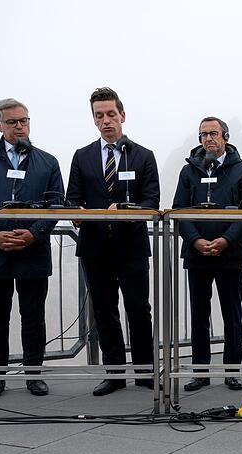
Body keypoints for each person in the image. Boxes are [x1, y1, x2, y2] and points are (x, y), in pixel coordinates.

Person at [0, 98, 65, 399]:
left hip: (33, 250)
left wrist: (35, 233)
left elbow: (56, 204)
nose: (20, 127)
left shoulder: (48, 162)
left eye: (24, 121)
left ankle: (34, 375)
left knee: (33, 317)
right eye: (12, 122)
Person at [66, 87, 160, 396]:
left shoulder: (143, 155)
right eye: (99, 116)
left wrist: (127, 211)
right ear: (93, 120)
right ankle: (114, 374)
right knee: (104, 311)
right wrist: (77, 214)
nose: (106, 120)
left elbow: (151, 202)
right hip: (95, 248)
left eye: (111, 114)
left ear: (122, 115)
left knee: (138, 310)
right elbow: (71, 201)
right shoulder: (81, 157)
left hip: (131, 247)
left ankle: (145, 373)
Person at [172, 116, 242, 392]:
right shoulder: (188, 172)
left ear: (225, 137)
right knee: (199, 315)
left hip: (230, 254)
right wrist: (195, 240)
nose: (208, 139)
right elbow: (179, 210)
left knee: (232, 314)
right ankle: (200, 372)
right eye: (203, 135)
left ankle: (232, 371)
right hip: (196, 254)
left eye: (213, 133)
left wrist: (226, 240)